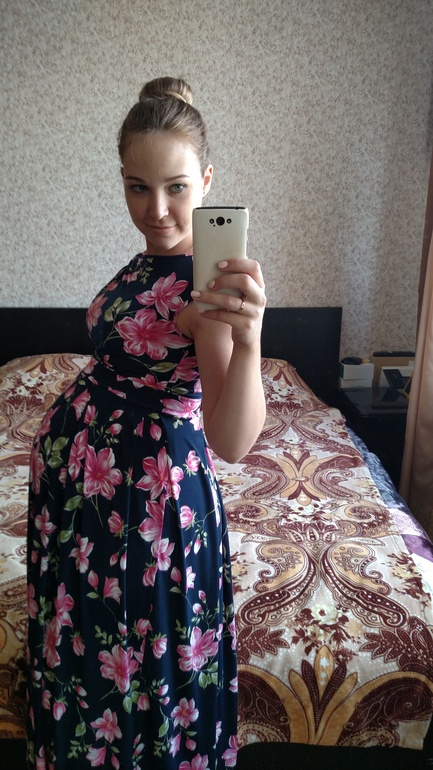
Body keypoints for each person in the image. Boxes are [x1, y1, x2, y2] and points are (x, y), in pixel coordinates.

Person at [26, 76, 266, 769]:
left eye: (176, 188)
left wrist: (249, 339)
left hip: (145, 501)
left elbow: (232, 439)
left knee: (138, 657)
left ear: (207, 181)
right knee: (92, 643)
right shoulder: (146, 264)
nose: (156, 210)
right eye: (138, 187)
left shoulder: (207, 285)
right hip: (87, 500)